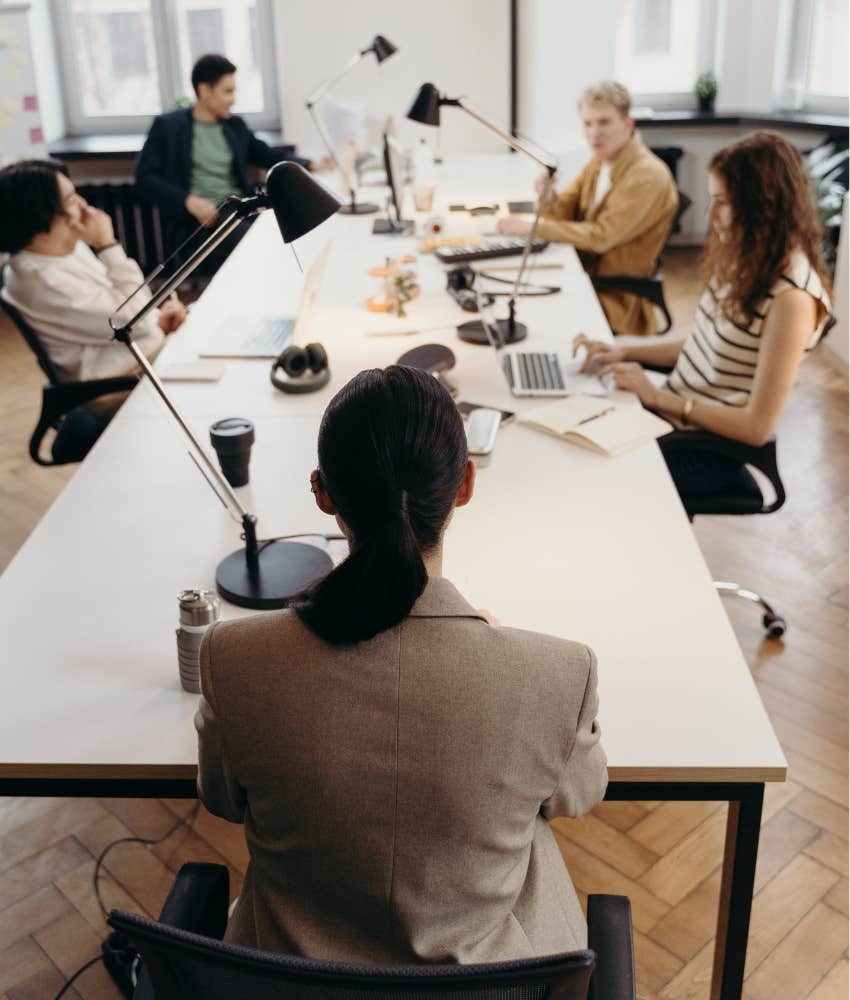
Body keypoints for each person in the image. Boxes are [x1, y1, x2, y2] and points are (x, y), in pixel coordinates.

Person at [195, 365, 607, 963]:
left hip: (289, 985)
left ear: (323, 492)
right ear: (464, 483)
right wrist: (496, 659)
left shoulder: (233, 660)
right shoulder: (557, 675)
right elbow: (578, 795)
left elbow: (221, 799)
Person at [573, 131, 832, 506]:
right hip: (676, 420)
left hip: (707, 451)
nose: (710, 217)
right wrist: (622, 348)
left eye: (723, 203)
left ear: (764, 206)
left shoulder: (791, 298)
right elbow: (705, 343)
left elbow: (757, 428)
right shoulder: (747, 258)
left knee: (588, 479)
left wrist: (658, 397)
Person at [498, 81, 678, 336]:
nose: (594, 133)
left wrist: (534, 226)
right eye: (587, 123)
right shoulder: (599, 162)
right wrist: (548, 197)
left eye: (604, 122)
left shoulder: (647, 176)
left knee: (527, 314)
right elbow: (563, 214)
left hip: (614, 298)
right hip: (585, 277)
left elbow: (601, 236)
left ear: (628, 124)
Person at [0, 159, 185, 385]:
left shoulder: (69, 247)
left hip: (142, 355)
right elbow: (135, 322)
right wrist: (108, 246)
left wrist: (158, 319)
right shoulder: (39, 280)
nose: (83, 205)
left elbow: (125, 312)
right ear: (39, 214)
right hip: (120, 380)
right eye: (70, 200)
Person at [135, 53, 328, 269]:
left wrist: (309, 165)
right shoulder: (168, 127)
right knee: (264, 246)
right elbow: (145, 178)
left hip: (240, 209)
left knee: (293, 227)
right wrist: (189, 201)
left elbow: (267, 155)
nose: (234, 99)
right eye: (227, 91)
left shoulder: (234, 125)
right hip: (202, 223)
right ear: (204, 91)